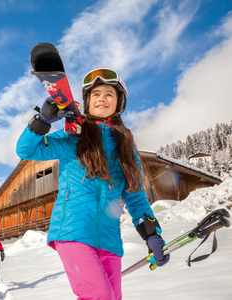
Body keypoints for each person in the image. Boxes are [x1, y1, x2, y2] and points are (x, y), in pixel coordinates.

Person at [16, 68, 170, 299]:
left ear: (119, 103)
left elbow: (136, 197)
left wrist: (152, 235)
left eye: (109, 94)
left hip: (109, 240)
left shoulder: (126, 147)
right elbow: (26, 149)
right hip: (72, 231)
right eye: (95, 94)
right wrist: (42, 121)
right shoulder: (73, 137)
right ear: (86, 102)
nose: (102, 98)